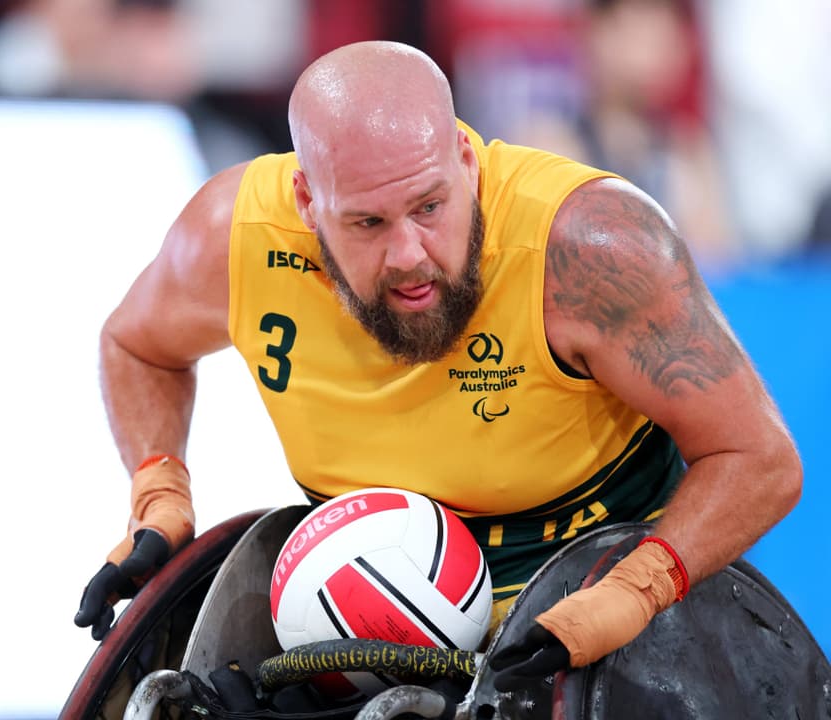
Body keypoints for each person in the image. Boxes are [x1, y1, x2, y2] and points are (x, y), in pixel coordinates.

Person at [73, 40, 802, 678]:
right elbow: (136, 344)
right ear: (305, 200)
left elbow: (760, 457)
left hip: (595, 586)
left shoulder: (591, 247)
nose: (409, 254)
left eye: (430, 206)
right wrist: (159, 495)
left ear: (464, 156)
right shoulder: (231, 237)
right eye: (367, 222)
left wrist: (634, 591)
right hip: (354, 600)